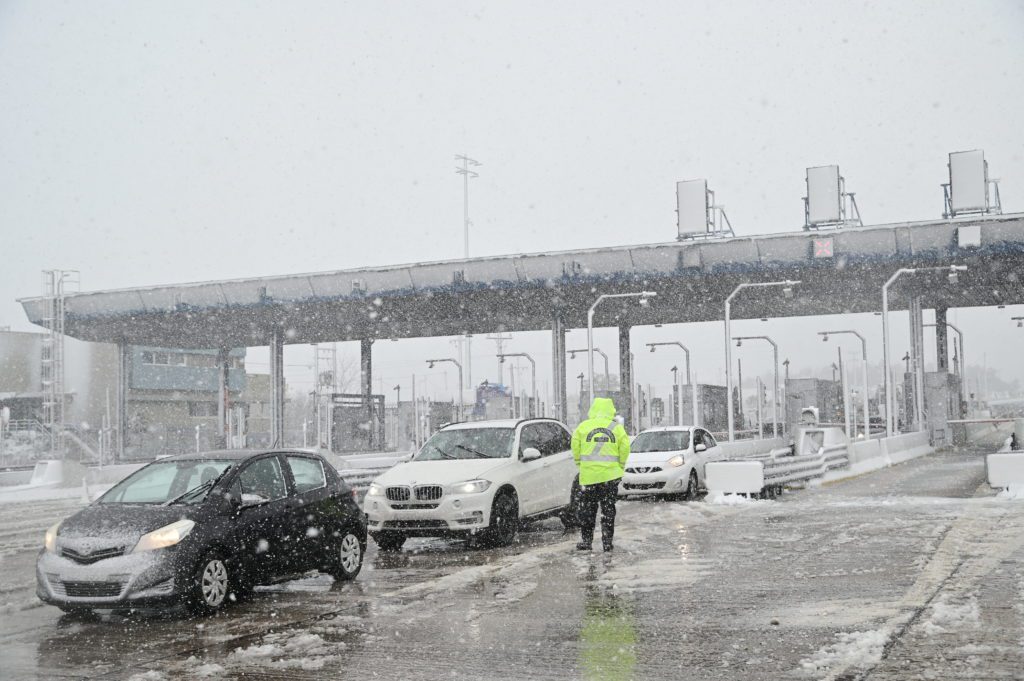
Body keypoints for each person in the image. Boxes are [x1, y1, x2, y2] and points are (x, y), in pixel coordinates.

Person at [571, 397, 630, 552]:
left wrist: (580, 464)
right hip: (610, 477)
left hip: (589, 478)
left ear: (593, 409)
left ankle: (586, 541)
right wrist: (620, 466)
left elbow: (575, 446)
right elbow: (625, 448)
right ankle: (607, 542)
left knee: (587, 511)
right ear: (610, 410)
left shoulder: (583, 427)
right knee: (608, 511)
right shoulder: (616, 428)